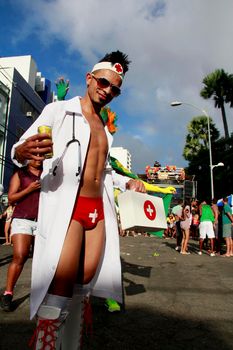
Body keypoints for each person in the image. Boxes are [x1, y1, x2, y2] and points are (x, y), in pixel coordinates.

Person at [11, 50, 146, 349]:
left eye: (114, 89)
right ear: (89, 78)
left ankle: (70, 343)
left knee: (84, 282)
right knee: (60, 285)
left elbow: (105, 170)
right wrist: (19, 152)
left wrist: (129, 182)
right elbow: (20, 146)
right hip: (68, 208)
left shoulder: (105, 130)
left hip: (97, 210)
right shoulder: (59, 111)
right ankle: (46, 343)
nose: (107, 90)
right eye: (103, 82)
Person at [0, 160, 42, 311]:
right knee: (20, 255)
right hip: (22, 219)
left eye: (41, 155)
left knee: (43, 259)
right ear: (27, 157)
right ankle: (8, 293)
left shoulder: (48, 173)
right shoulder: (20, 173)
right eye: (34, 155)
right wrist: (29, 189)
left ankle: (43, 295)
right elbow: (11, 198)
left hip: (43, 221)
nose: (38, 158)